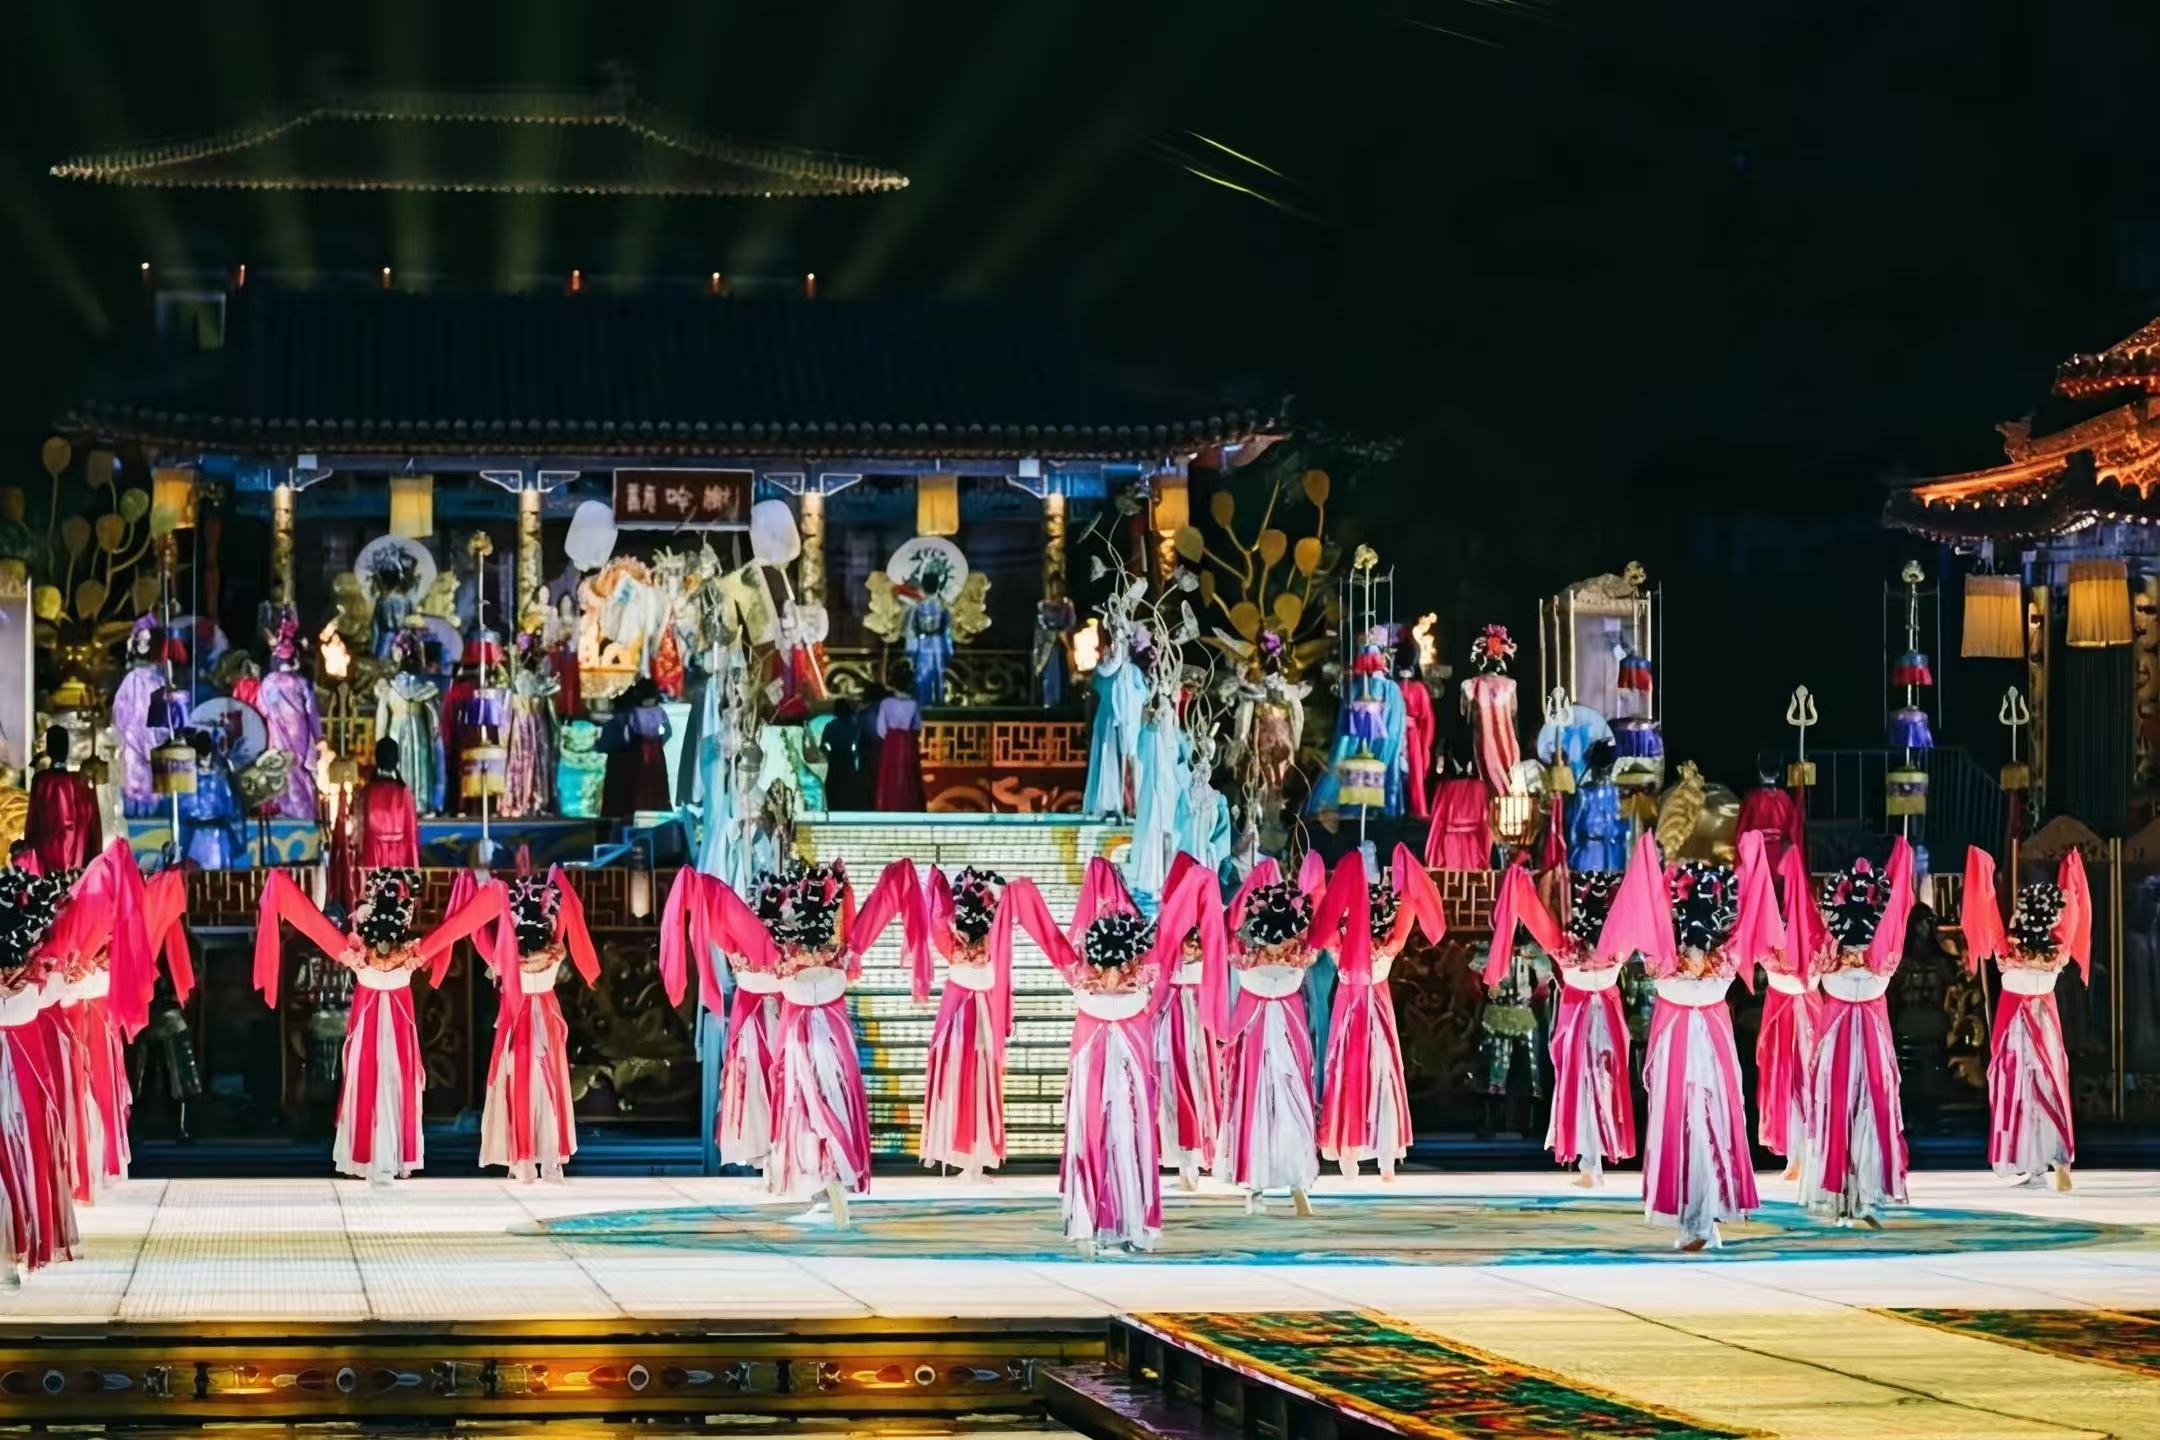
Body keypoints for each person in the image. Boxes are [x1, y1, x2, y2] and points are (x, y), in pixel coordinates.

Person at [1000, 857, 1223, 1255]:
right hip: (1101, 1068)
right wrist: (1195, 883)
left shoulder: (1095, 973)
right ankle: (1097, 1220)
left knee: (1128, 1136)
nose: (1114, 978)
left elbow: (1049, 935)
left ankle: (1126, 1222)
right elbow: (1170, 926)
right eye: (1111, 968)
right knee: (1098, 1135)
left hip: (1126, 1072)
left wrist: (1023, 895)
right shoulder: (1132, 971)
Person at [254, 867, 504, 1183]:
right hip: (388, 1029)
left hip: (376, 1029)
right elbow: (458, 924)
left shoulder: (358, 955)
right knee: (390, 1081)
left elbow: (309, 920)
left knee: (373, 1082)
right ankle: (391, 1155)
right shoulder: (408, 955)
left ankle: (371, 1155)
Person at [1599, 831, 1783, 1250]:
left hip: (1685, 1046)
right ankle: (1701, 1219)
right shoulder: (1723, 960)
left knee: (1691, 1125)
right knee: (1702, 1124)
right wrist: (1753, 865)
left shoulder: (1664, 962)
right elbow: (1750, 916)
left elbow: (1646, 916)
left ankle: (1697, 1220)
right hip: (1703, 1046)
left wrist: (1649, 867)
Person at [761, 857, 924, 1224]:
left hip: (803, 1043)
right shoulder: (841, 959)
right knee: (832, 1107)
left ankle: (823, 1186)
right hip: (833, 1042)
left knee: (806, 1110)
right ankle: (833, 1178)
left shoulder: (788, 963)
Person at [1487, 863, 1635, 1187]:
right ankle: (1590, 1161)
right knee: (1590, 1087)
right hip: (1592, 1024)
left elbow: (1537, 915)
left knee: (1592, 1086)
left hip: (1590, 1024)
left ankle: (1591, 1162)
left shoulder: (1571, 951)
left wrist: (1531, 881)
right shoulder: (1612, 952)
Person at [452, 867, 600, 1182]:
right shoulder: (551, 951)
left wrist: (482, 897)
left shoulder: (510, 957)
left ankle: (535, 1159)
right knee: (534, 1085)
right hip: (529, 1018)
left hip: (531, 1017)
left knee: (534, 1086)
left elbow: (478, 933)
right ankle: (534, 1159)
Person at [1799, 839, 1916, 1227]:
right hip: (1841, 1040)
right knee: (1843, 1110)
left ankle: (1862, 1194)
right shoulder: (1844, 956)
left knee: (1868, 1108)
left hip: (1865, 1040)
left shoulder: (1863, 957)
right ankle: (1844, 1195)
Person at [1313, 845, 1446, 1180]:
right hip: (1358, 1011)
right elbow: (1407, 904)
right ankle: (1363, 1153)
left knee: (1370, 1074)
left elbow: (1324, 915)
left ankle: (1367, 1154)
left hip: (1366, 1009)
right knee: (1366, 1074)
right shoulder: (1377, 943)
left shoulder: (1358, 943)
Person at [1961, 846, 2086, 1191]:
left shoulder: (2008, 955)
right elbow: (2071, 919)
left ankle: (2037, 1163)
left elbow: (1987, 913)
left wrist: (1983, 877)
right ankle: (2054, 1160)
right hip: (2044, 1030)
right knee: (2049, 1089)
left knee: (2021, 1093)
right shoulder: (2056, 955)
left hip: (2016, 1031)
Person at [1217, 852, 1331, 1215]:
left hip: (1287, 1042)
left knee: (1291, 1106)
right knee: (1254, 1105)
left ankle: (1297, 1180)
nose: (1283, 946)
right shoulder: (1246, 957)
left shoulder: (1299, 955)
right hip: (1255, 1042)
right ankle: (1255, 1182)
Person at [659, 867, 784, 1172]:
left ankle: (777, 1145)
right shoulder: (719, 909)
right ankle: (766, 1147)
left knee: (769, 1076)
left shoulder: (721, 906)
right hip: (754, 1010)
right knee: (753, 1077)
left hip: (770, 1008)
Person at [0, 863, 78, 1279]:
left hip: (25, 1075)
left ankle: (20, 1243)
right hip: (24, 1069)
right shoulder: (32, 988)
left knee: (27, 1152)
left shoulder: (31, 987)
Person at [918, 866, 1013, 1179]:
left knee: (978, 1079)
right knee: (963, 1079)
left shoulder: (971, 943)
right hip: (962, 1012)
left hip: (978, 1012)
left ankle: (976, 1159)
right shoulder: (958, 943)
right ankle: (968, 1158)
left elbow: (937, 918)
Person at [1757, 840, 1828, 1179]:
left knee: (1810, 1076)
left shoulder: (1815, 933)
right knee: (1786, 1078)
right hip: (1784, 1013)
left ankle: (1812, 1149)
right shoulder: (1773, 930)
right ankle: (1796, 1153)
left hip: (1807, 1011)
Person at [255, 617, 322, 821]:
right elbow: (311, 713)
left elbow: (261, 708)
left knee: (280, 768)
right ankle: (304, 812)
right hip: (299, 732)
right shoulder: (301, 683)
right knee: (299, 769)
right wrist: (319, 737)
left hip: (277, 731)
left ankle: (282, 810)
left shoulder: (267, 683)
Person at [26, 729, 101, 874]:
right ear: (67, 749)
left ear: (48, 749)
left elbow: (32, 821)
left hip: (44, 855)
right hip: (75, 855)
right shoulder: (78, 781)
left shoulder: (41, 781)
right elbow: (91, 820)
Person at [356, 739, 422, 869]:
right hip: (398, 857)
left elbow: (358, 832)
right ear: (397, 760)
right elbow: (412, 835)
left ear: (377, 759)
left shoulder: (366, 793)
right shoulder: (404, 792)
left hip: (372, 855)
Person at [870, 691, 924, 812]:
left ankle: (889, 804)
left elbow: (881, 730)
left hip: (891, 741)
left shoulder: (886, 703)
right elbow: (917, 726)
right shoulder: (912, 703)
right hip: (906, 741)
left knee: (889, 773)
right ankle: (908, 804)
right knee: (907, 772)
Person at [819, 697, 871, 811]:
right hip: (849, 763)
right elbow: (859, 747)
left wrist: (829, 753)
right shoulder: (854, 727)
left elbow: (823, 746)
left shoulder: (830, 726)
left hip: (834, 763)